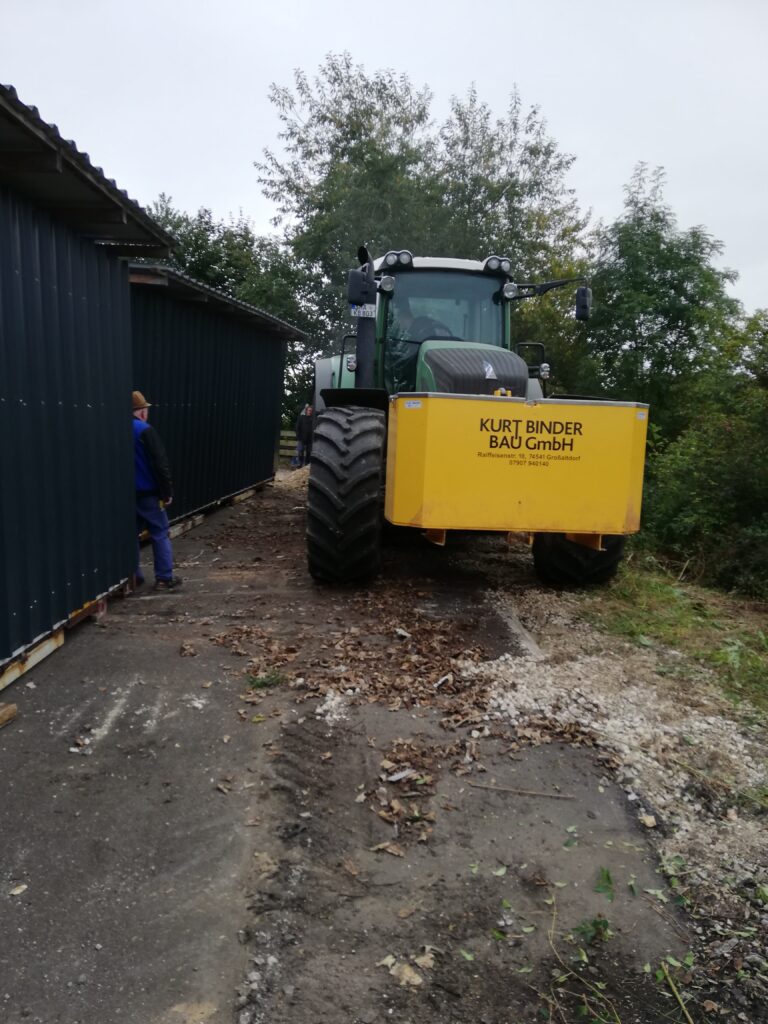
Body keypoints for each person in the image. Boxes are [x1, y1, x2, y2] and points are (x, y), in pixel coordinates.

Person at [132, 391, 182, 591]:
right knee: (160, 532)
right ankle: (164, 578)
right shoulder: (145, 430)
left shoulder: (115, 430)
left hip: (127, 495)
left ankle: (133, 576)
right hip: (149, 493)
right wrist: (167, 492)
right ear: (142, 412)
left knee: (131, 535)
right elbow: (160, 464)